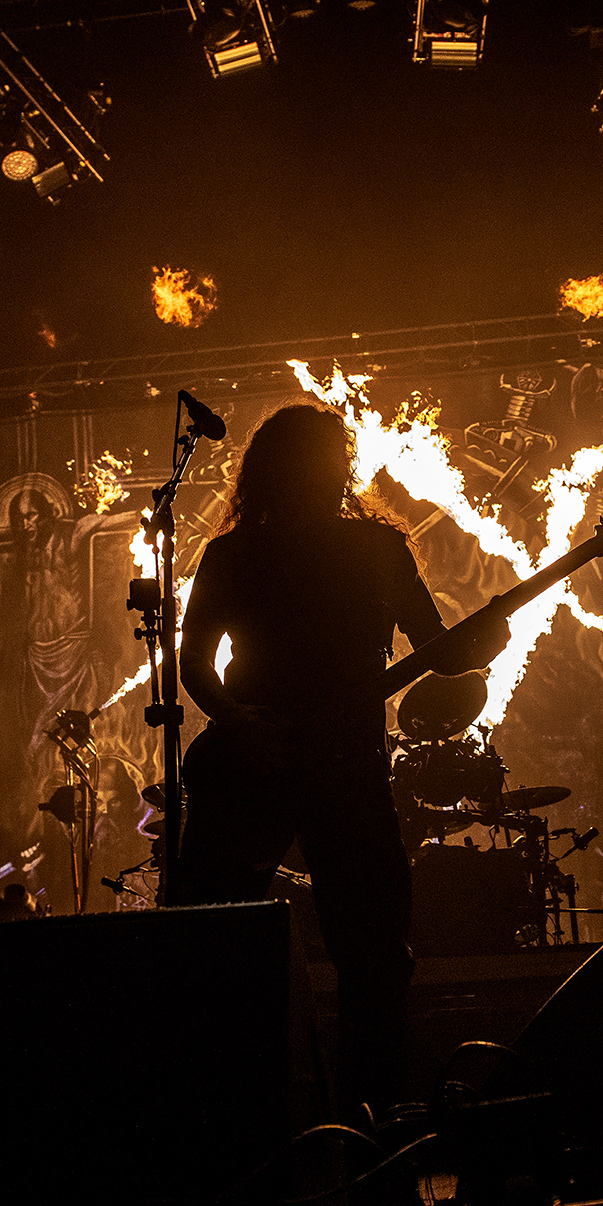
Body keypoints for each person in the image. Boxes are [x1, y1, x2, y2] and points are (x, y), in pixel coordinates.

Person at [173, 403, 494, 1112]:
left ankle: (253, 1110)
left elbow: (441, 652)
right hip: (317, 764)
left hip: (305, 763)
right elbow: (443, 652)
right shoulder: (358, 549)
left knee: (244, 943)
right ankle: (360, 1117)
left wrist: (238, 720)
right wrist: (241, 722)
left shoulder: (253, 552)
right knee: (364, 955)